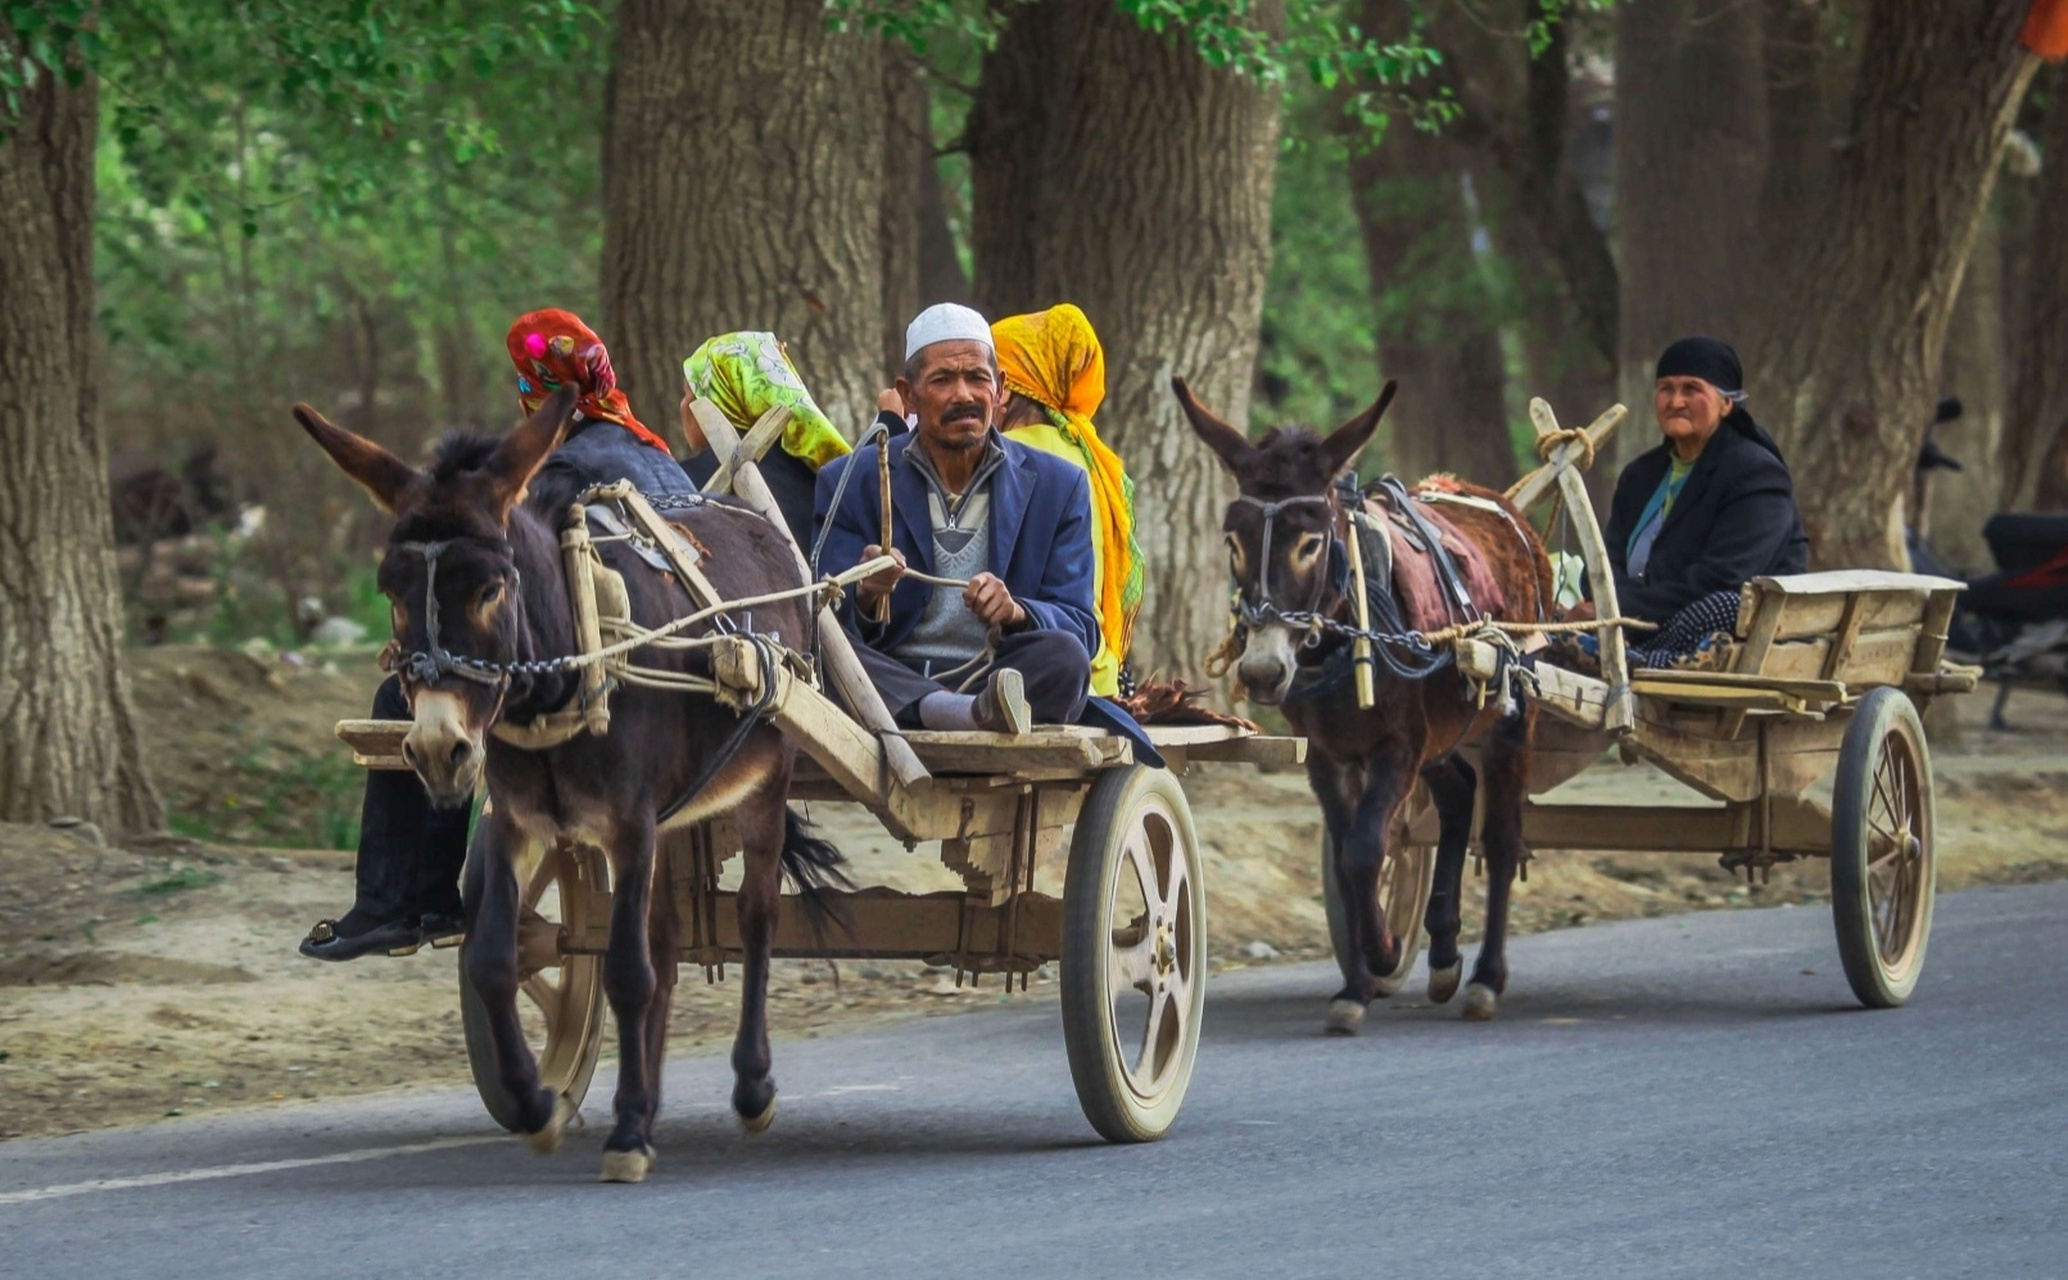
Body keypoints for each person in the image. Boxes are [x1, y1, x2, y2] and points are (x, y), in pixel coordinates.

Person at [302, 309, 700, 961]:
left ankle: (401, 903)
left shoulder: (555, 471)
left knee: (415, 697)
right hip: (675, 651)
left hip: (594, 663)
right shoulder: (656, 454)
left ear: (535, 390)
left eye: (526, 385)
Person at [815, 303, 1158, 759]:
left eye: (977, 378)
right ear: (908, 394)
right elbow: (821, 606)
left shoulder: (1058, 485)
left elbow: (1080, 625)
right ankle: (954, 712)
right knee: (816, 644)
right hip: (891, 673)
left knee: (1064, 658)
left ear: (1000, 389)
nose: (964, 395)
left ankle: (964, 709)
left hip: (1003, 680)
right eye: (942, 380)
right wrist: (863, 593)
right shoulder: (850, 479)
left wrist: (1017, 612)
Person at [1596, 336, 1810, 666]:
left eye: (1691, 389)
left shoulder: (1757, 474)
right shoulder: (1640, 475)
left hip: (1724, 627)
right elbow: (1606, 555)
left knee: (1722, 606)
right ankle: (1622, 648)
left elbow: (1722, 578)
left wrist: (1619, 611)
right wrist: (1603, 599)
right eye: (1666, 388)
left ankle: (1643, 658)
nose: (1676, 401)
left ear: (1726, 404)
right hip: (1635, 616)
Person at [990, 304, 1144, 697]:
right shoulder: (1090, 458)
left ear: (1003, 392)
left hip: (1033, 671)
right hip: (1101, 672)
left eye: (979, 379)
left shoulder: (1001, 456)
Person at [676, 331, 853, 548]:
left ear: (717, 398)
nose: (683, 405)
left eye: (687, 393)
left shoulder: (681, 480)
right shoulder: (822, 476)